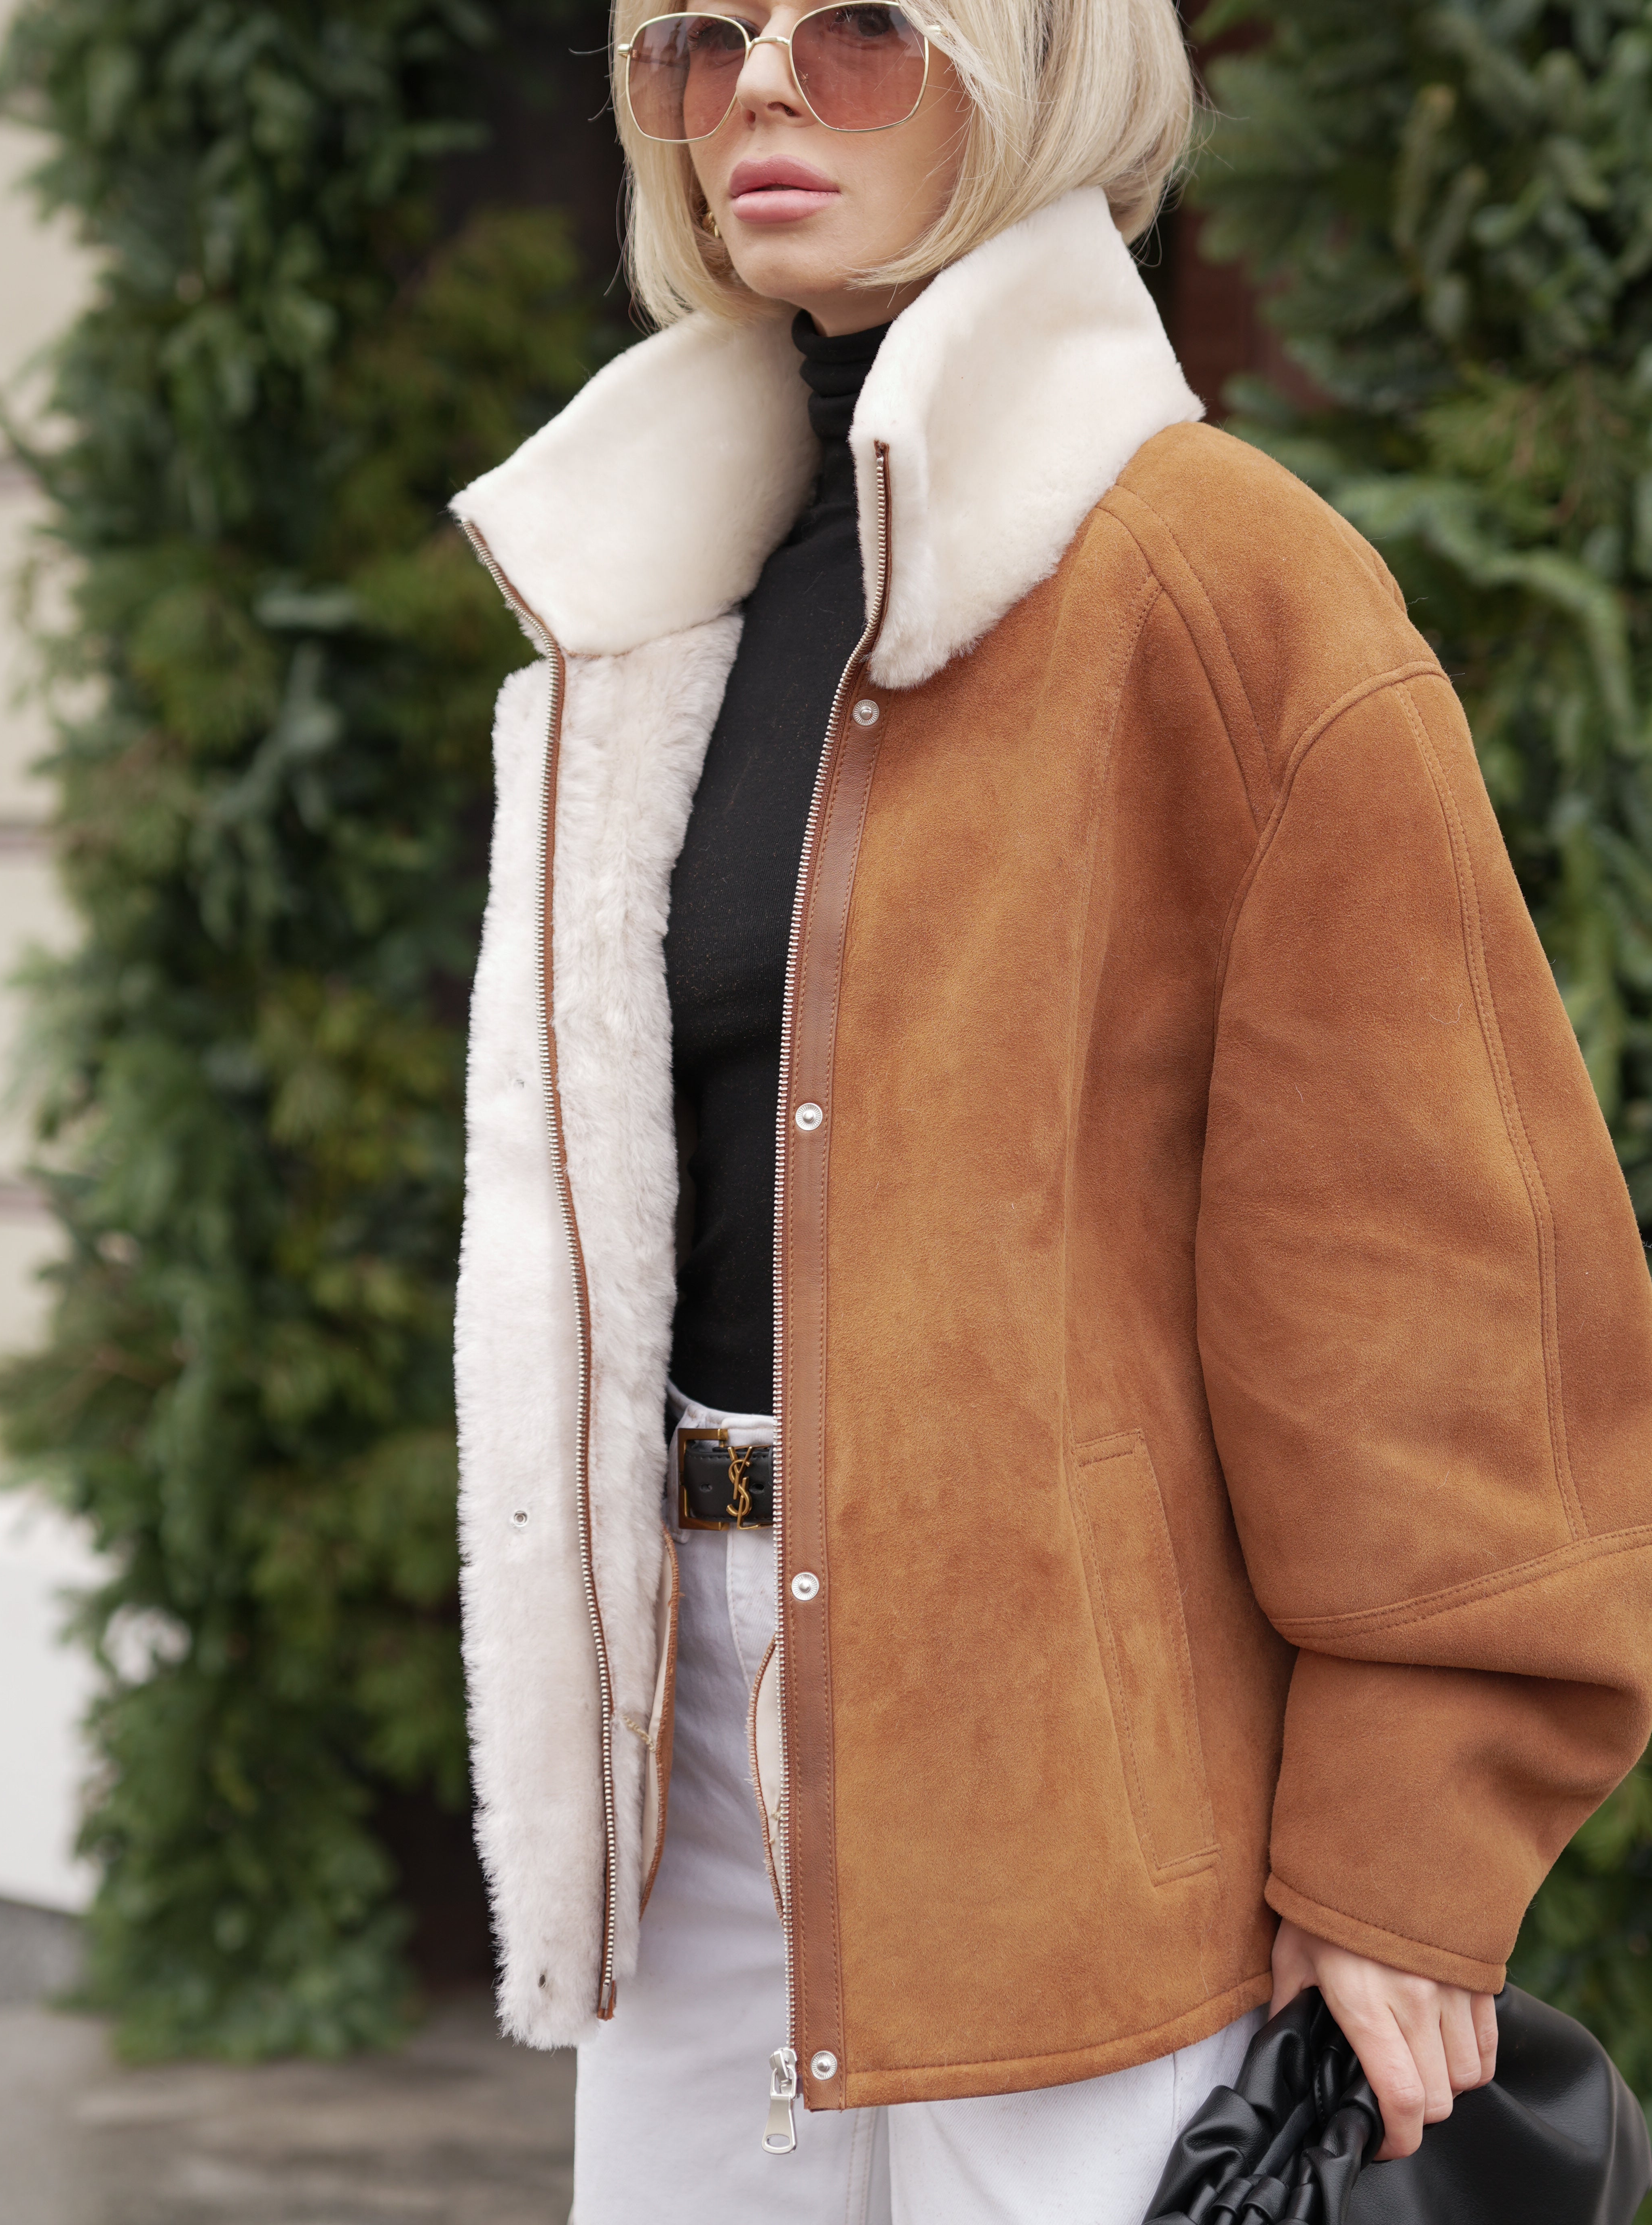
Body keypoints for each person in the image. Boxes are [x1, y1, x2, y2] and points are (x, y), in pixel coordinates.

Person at [449, 4, 1652, 2219]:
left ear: (1036, 67)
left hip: (1072, 1764)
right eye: (700, 42)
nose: (762, 91)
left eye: (861, 30)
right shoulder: (651, 598)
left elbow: (1438, 1268)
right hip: (682, 1735)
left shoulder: (1219, 579)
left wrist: (1410, 1838)